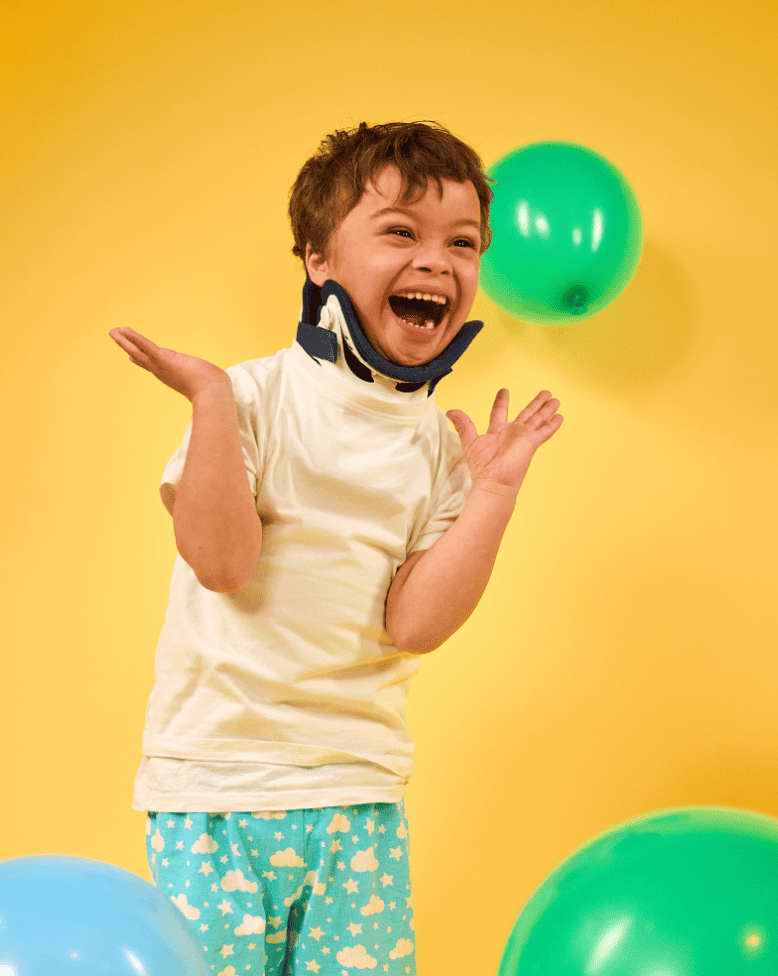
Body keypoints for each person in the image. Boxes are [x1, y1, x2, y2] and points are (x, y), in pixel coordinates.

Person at [109, 121, 564, 976]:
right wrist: (208, 399)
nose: (437, 262)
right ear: (318, 259)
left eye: (462, 244)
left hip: (355, 791)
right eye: (401, 232)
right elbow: (222, 565)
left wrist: (492, 496)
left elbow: (415, 624)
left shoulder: (437, 446)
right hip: (214, 787)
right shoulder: (253, 396)